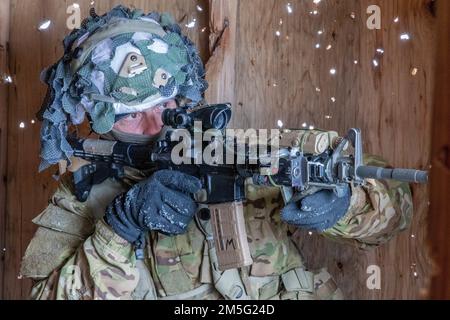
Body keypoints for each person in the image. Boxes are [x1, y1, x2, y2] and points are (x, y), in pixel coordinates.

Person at [21, 6, 413, 300]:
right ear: (97, 117)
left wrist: (344, 204)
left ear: (185, 92)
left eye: (165, 104)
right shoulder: (85, 193)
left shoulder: (256, 150)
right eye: (131, 116)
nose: (155, 125)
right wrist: (119, 228)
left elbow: (395, 213)